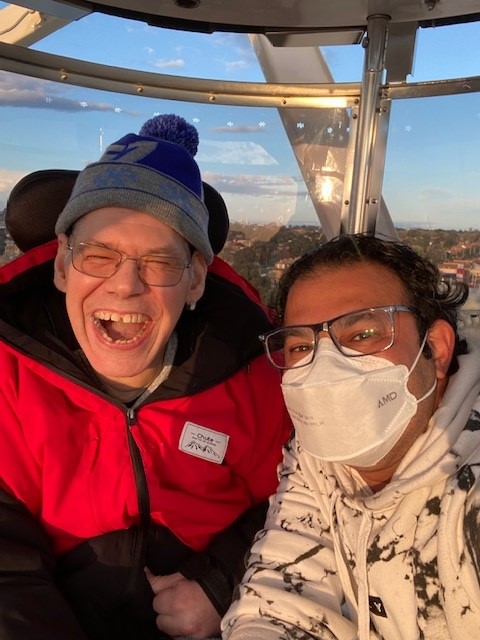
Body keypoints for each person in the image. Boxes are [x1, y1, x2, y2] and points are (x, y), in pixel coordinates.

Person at [0, 114, 292, 640]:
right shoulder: (9, 376)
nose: (125, 286)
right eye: (99, 256)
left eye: (158, 263)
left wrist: (221, 583)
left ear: (196, 279)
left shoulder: (256, 380)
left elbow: (298, 502)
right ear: (63, 264)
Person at [222, 233, 480, 640]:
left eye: (362, 335)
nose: (325, 368)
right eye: (301, 347)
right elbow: (281, 596)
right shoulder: (315, 455)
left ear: (436, 347)